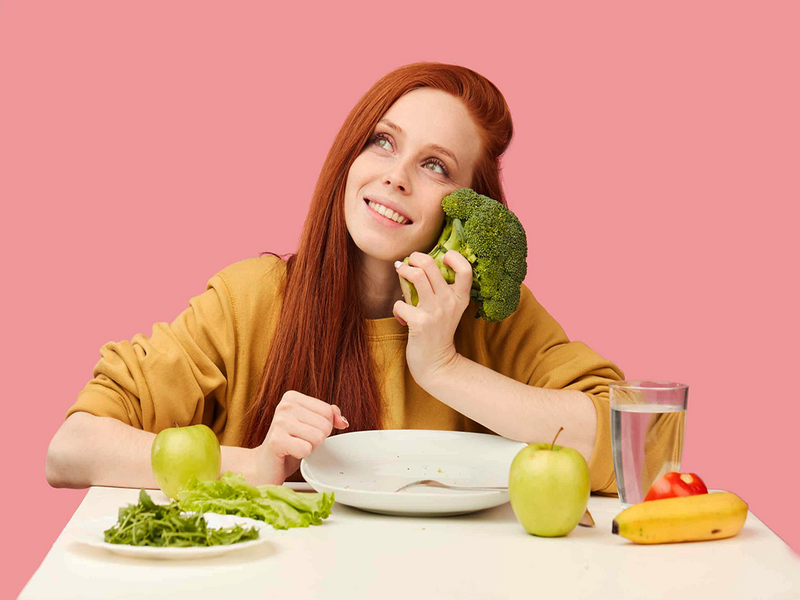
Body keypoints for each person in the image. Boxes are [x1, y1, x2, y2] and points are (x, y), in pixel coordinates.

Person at [46, 62, 624, 494]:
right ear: (350, 155)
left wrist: (444, 368)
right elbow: (71, 449)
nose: (396, 177)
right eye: (382, 142)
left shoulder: (492, 315)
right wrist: (255, 463)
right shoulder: (251, 300)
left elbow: (626, 445)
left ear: (472, 206)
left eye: (434, 166)